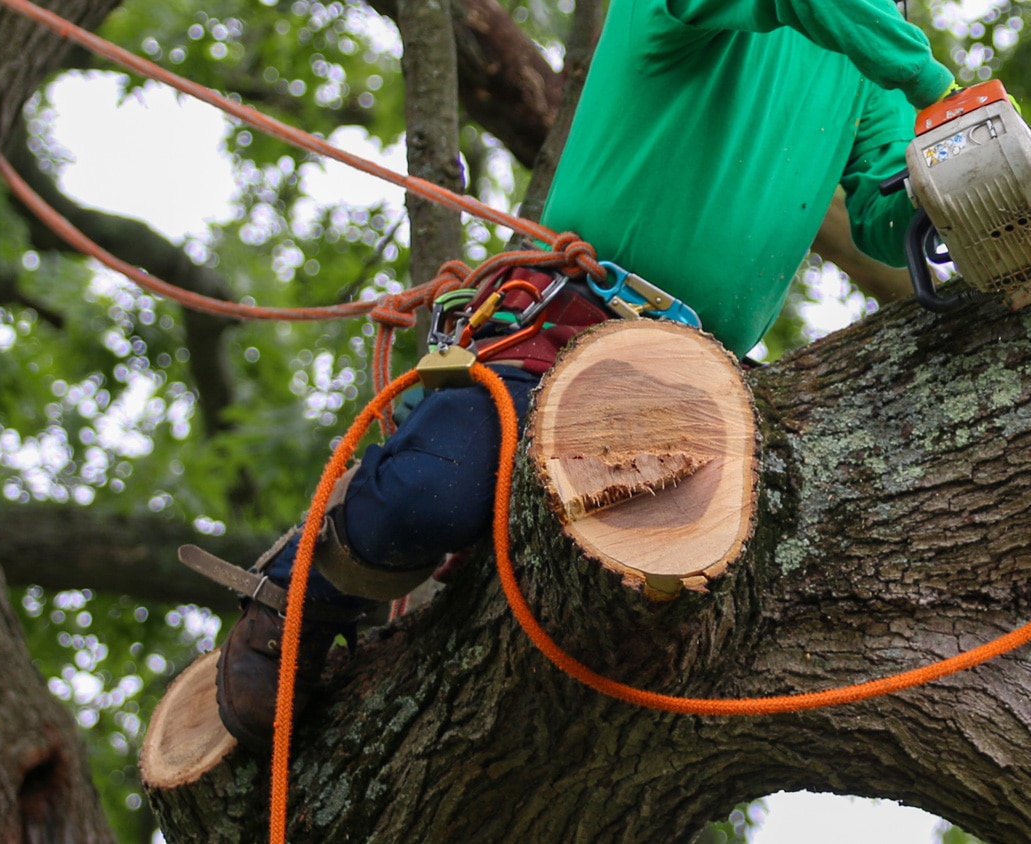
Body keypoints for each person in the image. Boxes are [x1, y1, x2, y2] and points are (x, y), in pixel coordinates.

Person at [200, 0, 955, 748]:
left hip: (700, 377)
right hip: (568, 324)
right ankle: (299, 599)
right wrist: (937, 87)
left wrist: (953, 184)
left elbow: (885, 211)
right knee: (433, 494)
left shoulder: (869, 63)